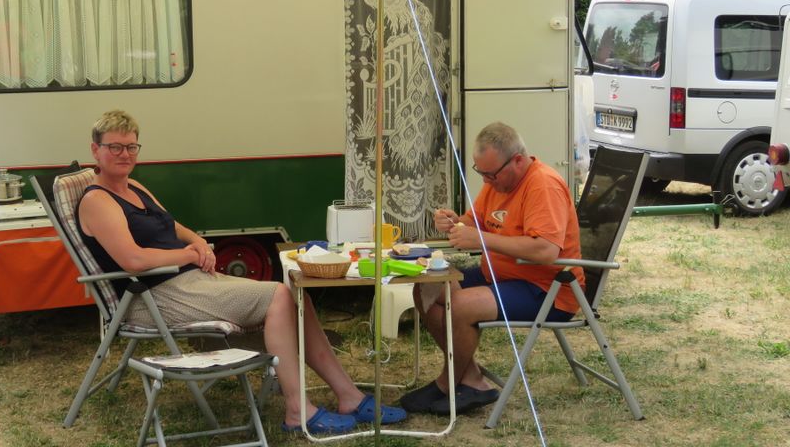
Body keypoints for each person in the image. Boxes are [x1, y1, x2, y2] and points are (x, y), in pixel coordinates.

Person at [76, 110, 407, 434]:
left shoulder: (134, 187)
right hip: (152, 298)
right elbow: (132, 260)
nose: (124, 154)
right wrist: (187, 254)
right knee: (279, 296)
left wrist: (198, 243)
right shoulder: (98, 201)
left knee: (297, 298)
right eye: (114, 147)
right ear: (95, 150)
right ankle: (297, 410)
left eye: (131, 146)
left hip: (188, 281)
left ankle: (349, 396)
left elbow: (174, 226)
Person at [400, 122, 585, 415]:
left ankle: (448, 383)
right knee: (426, 287)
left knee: (460, 305)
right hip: (501, 276)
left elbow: (546, 250)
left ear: (518, 160)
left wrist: (481, 239)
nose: (486, 181)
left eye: (491, 174)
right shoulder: (498, 181)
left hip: (547, 289)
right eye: (481, 173)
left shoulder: (543, 185)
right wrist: (454, 222)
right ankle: (471, 379)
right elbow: (475, 222)